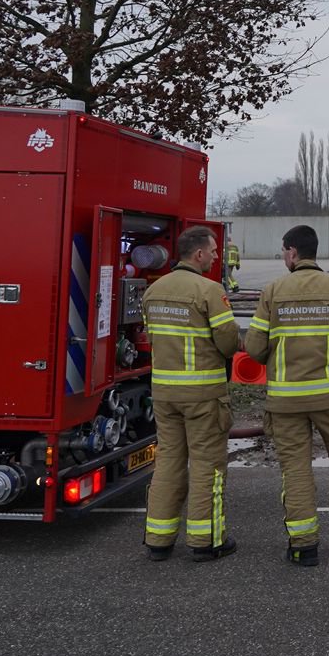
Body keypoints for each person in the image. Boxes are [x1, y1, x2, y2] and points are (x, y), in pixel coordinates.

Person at [245, 224, 329, 566]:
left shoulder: (272, 291)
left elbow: (254, 348)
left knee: (296, 469)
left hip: (285, 402)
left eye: (283, 252)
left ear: (291, 252)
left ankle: (304, 547)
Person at [141, 225, 240, 561]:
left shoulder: (153, 292)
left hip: (165, 394)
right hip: (202, 394)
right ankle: (205, 541)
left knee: (168, 461)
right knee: (206, 465)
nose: (215, 257)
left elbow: (151, 339)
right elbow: (227, 343)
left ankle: (158, 539)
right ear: (198, 254)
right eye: (213, 251)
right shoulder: (209, 291)